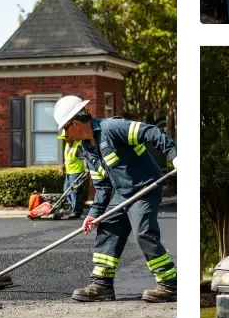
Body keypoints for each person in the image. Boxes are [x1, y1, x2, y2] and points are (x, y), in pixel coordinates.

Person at [53, 95, 181, 303]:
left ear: (75, 123)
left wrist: (174, 155)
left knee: (143, 233)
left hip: (145, 188)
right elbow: (103, 186)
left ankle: (168, 284)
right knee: (108, 227)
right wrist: (93, 215)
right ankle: (102, 286)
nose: (66, 134)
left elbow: (151, 132)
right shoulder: (88, 147)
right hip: (122, 193)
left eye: (65, 129)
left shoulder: (112, 128)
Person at [58, 136, 86, 219]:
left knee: (75, 193)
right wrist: (62, 168)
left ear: (72, 137)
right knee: (66, 191)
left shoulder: (77, 147)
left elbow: (84, 158)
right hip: (69, 173)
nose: (65, 139)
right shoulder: (67, 146)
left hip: (77, 172)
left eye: (66, 137)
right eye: (64, 138)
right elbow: (67, 159)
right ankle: (77, 208)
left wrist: (87, 168)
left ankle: (76, 212)